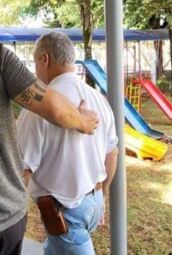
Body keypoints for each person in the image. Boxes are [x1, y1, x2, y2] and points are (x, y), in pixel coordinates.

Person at [16, 32, 118, 255]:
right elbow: (113, 153)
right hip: (93, 202)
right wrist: (102, 195)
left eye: (35, 62)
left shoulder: (38, 107)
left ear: (44, 59)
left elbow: (20, 169)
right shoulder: (99, 99)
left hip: (64, 213)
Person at [0, 42, 99, 255]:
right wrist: (83, 121)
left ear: (44, 59)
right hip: (5, 214)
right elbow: (54, 109)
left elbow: (27, 165)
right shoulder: (98, 98)